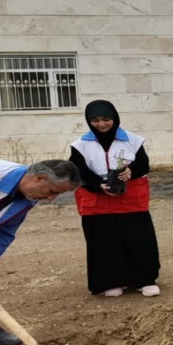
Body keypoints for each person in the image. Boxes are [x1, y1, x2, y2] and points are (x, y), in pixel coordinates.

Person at [0, 158, 80, 345]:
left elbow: (0, 233)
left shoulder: (27, 200)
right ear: (39, 178)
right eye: (53, 191)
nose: (51, 199)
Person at [69, 100, 161, 298]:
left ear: (115, 118)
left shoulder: (133, 140)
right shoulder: (80, 145)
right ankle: (110, 281)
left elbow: (143, 165)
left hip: (130, 200)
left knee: (137, 239)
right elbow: (78, 171)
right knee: (105, 241)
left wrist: (131, 171)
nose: (101, 124)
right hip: (98, 200)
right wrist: (98, 185)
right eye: (95, 120)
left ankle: (144, 280)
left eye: (106, 119)